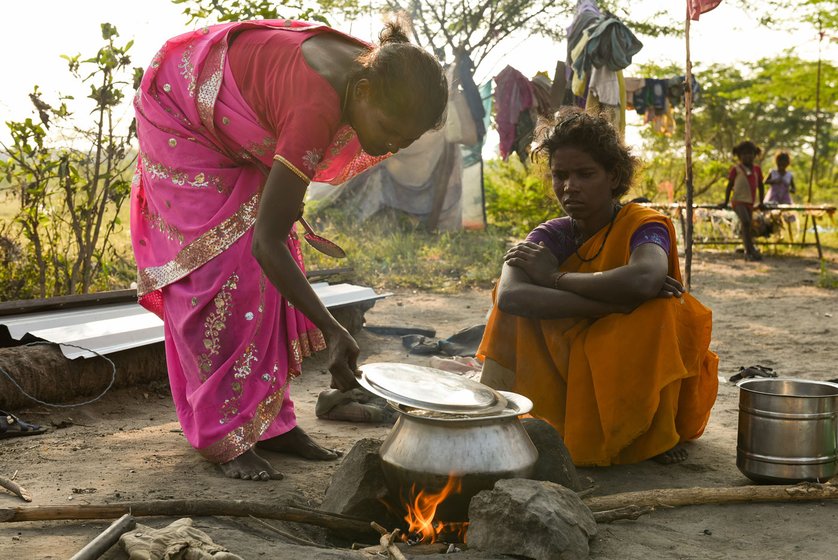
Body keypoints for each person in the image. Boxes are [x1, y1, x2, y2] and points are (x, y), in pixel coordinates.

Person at [130, 19, 447, 481]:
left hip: (235, 107)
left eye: (406, 141)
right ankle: (222, 433)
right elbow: (267, 242)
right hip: (180, 103)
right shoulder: (315, 107)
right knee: (222, 273)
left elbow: (273, 239)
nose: (391, 146)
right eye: (390, 130)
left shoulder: (378, 72)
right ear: (361, 93)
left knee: (269, 277)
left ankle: (273, 425)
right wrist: (335, 329)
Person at [476, 109, 719, 466]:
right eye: (560, 175)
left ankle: (650, 433)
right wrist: (612, 302)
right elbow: (511, 295)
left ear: (614, 176)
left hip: (621, 352)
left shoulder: (641, 224)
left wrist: (554, 279)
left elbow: (646, 279)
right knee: (509, 305)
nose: (570, 186)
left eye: (585, 174)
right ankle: (504, 416)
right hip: (572, 356)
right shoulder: (551, 234)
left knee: (664, 308)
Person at [721, 141, 765, 261]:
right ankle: (749, 250)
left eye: (750, 154)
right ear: (739, 156)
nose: (748, 157)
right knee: (745, 222)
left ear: (754, 155)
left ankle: (750, 250)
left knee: (748, 226)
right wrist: (725, 202)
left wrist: (761, 202)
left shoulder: (757, 170)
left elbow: (761, 186)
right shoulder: (736, 169)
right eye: (744, 154)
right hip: (738, 201)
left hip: (750, 203)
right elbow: (729, 186)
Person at [764, 150, 797, 238]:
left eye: (784, 162)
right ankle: (776, 235)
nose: (782, 164)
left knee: (787, 216)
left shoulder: (789, 175)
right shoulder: (773, 172)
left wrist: (790, 189)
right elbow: (765, 182)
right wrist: (774, 181)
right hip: (773, 197)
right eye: (780, 161)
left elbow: (793, 189)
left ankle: (790, 237)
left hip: (785, 198)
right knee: (773, 216)